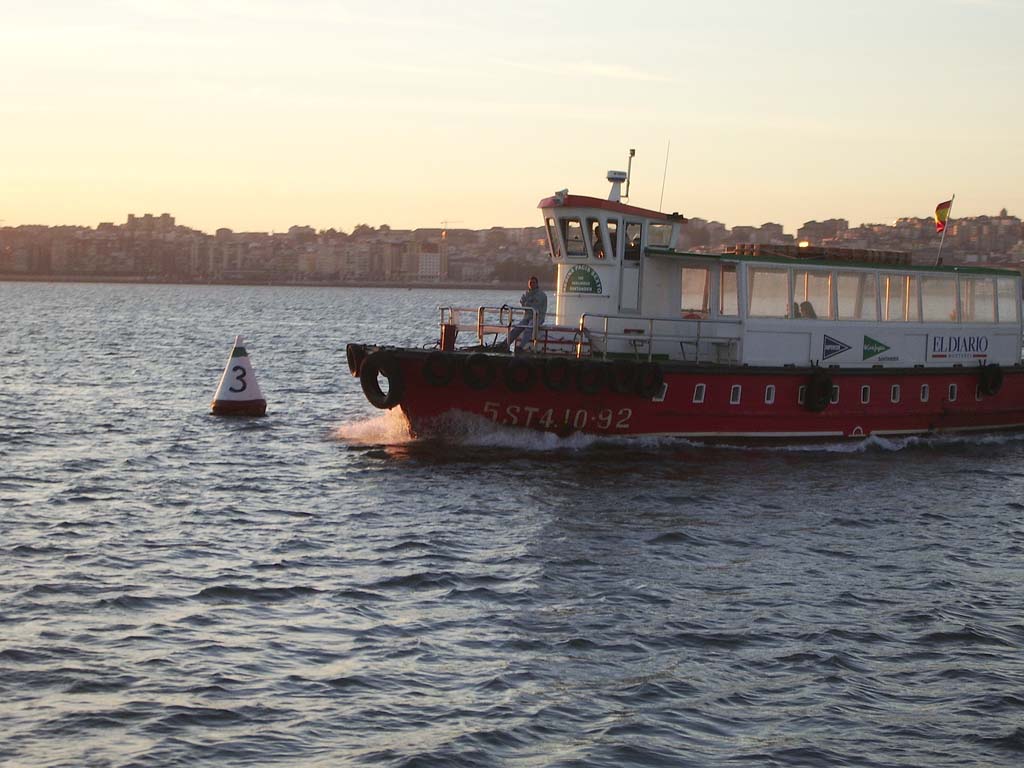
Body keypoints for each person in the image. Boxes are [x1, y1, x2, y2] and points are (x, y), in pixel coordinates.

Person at [505, 275, 547, 350]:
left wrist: (527, 303)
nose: (532, 284)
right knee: (516, 329)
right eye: (530, 283)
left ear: (537, 284)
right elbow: (522, 303)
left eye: (534, 283)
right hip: (527, 317)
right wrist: (527, 303)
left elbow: (534, 307)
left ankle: (520, 347)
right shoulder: (525, 294)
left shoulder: (542, 295)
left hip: (538, 317)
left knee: (529, 329)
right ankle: (504, 344)